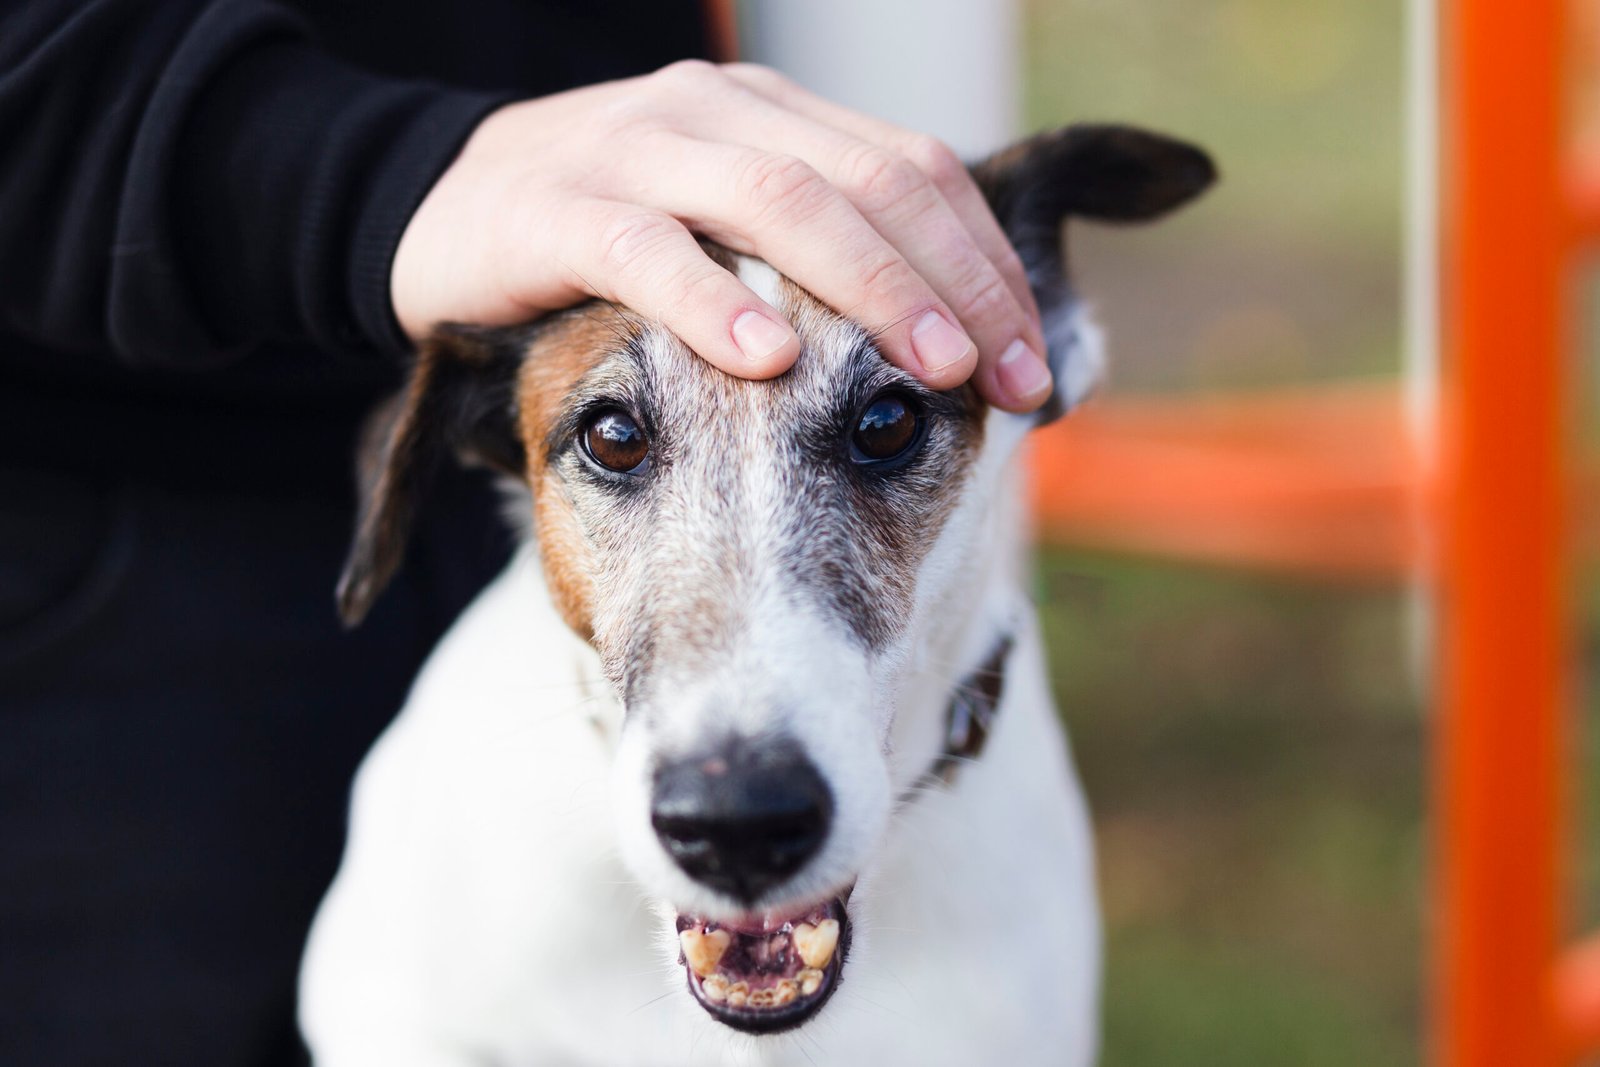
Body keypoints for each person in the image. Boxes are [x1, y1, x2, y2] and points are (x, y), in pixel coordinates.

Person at [0, 2, 1052, 1064]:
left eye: (882, 430)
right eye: (619, 440)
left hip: (595, 232)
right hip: (91, 501)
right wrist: (395, 169)